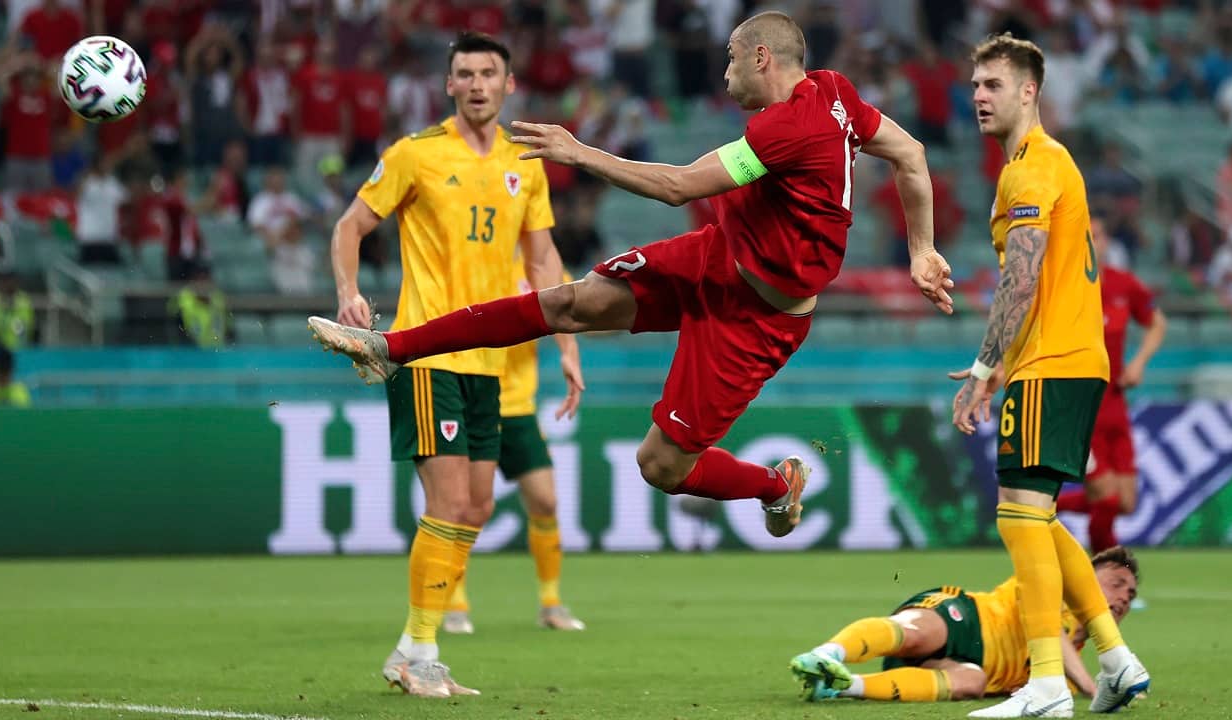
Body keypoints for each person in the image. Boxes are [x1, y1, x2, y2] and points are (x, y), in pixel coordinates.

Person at [309, 11, 953, 551]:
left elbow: (677, 188)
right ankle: (389, 349)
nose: (724, 72)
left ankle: (774, 484)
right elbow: (911, 155)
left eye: (731, 59)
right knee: (570, 302)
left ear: (762, 57)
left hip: (756, 318)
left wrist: (579, 151)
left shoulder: (784, 128)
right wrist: (920, 249)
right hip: (719, 255)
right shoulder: (833, 91)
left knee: (660, 466)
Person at [314, 32, 582, 699]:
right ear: (449, 86)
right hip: (427, 352)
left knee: (481, 504)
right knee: (451, 501)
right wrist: (349, 292)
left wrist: (568, 342)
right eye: (465, 73)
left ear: (509, 84)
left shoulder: (528, 160)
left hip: (492, 362)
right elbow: (349, 225)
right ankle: (425, 652)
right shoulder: (415, 155)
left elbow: (543, 260)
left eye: (490, 72)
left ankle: (410, 646)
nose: (478, 83)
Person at [949, 34, 1149, 718]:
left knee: (1017, 517)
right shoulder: (1046, 164)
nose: (979, 95)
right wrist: (999, 364)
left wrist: (984, 364)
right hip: (1065, 359)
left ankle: (1045, 684)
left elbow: (1024, 274)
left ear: (1029, 91)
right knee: (1040, 516)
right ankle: (1116, 659)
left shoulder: (1032, 166)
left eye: (994, 85)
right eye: (975, 84)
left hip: (1054, 362)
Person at [789, 546, 1141, 704]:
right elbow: (1048, 635)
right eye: (1114, 583)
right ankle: (824, 654)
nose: (1124, 596)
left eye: (1130, 593)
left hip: (964, 667)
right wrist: (1095, 690)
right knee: (920, 633)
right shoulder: (1048, 586)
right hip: (965, 618)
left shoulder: (1066, 676)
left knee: (972, 683)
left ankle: (838, 687)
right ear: (1083, 580)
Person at [443, 261, 585, 635]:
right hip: (474, 401)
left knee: (546, 502)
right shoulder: (474, 258)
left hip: (519, 407)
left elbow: (576, 307)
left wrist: (574, 349)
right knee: (469, 509)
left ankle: (551, 603)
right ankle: (454, 602)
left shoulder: (540, 266)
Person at [1056, 217, 1167, 553]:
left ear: (1106, 243)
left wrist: (1138, 363)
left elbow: (1157, 322)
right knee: (1105, 497)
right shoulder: (1065, 287)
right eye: (1084, 236)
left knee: (1127, 503)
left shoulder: (1124, 285)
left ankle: (1042, 506)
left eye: (1098, 236)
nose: (1092, 242)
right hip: (1081, 411)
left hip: (1116, 404)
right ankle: (1109, 573)